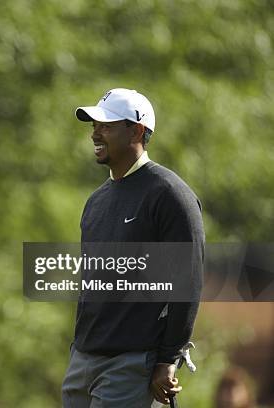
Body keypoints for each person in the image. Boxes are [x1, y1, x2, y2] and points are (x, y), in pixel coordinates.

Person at [61, 88, 205, 407]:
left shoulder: (170, 195)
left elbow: (187, 284)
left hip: (131, 366)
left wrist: (168, 359)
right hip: (82, 362)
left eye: (106, 126)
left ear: (136, 130)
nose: (95, 134)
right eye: (94, 126)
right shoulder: (96, 201)